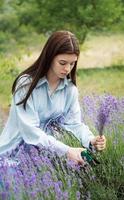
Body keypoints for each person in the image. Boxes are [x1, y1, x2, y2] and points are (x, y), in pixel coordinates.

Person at [0, 30, 106, 167]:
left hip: (41, 159)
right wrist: (67, 151)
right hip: (10, 158)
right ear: (50, 57)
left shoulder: (69, 90)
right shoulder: (26, 85)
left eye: (72, 63)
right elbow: (31, 132)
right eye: (62, 63)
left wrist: (91, 140)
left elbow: (73, 123)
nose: (67, 69)